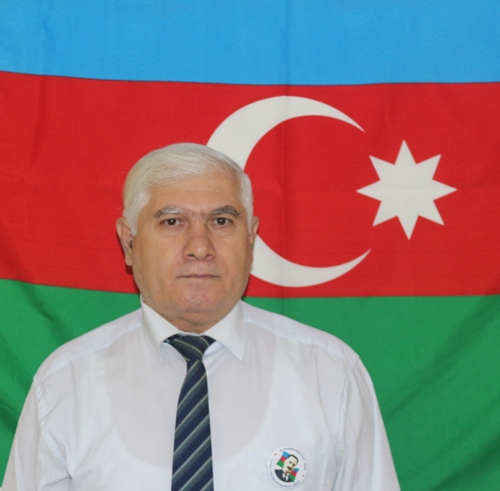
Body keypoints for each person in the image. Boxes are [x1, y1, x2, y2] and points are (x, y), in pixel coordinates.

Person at [2, 143, 400, 490]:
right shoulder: (66, 383)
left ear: (250, 238)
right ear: (129, 242)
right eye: (172, 221)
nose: (199, 247)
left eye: (221, 221)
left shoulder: (330, 373)